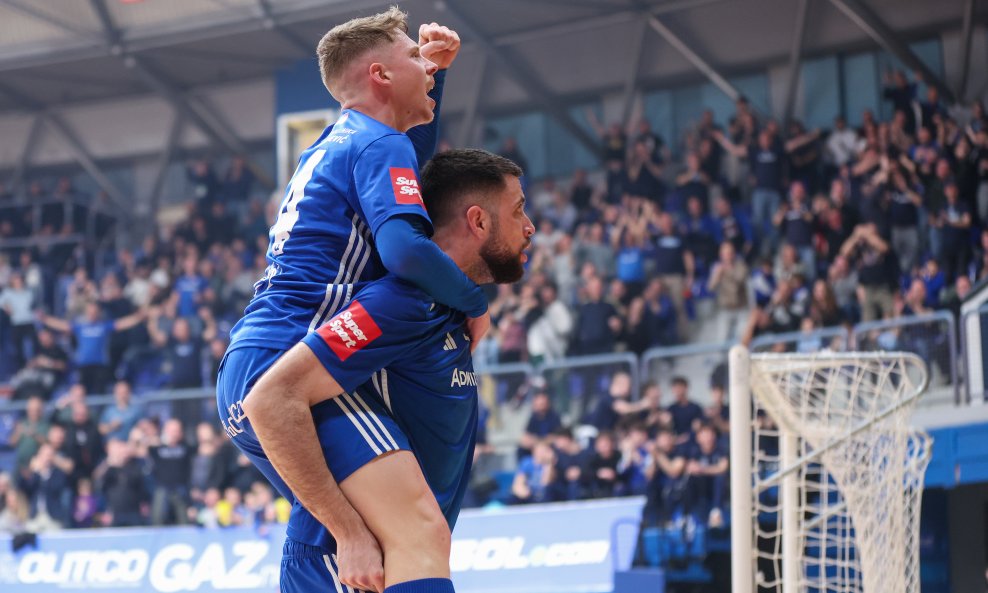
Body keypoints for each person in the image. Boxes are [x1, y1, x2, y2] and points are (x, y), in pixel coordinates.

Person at [222, 149, 533, 593]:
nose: (530, 226)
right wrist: (349, 533)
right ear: (478, 221)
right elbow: (269, 399)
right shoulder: (402, 300)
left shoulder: (447, 303)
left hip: (391, 563)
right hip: (351, 565)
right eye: (519, 209)